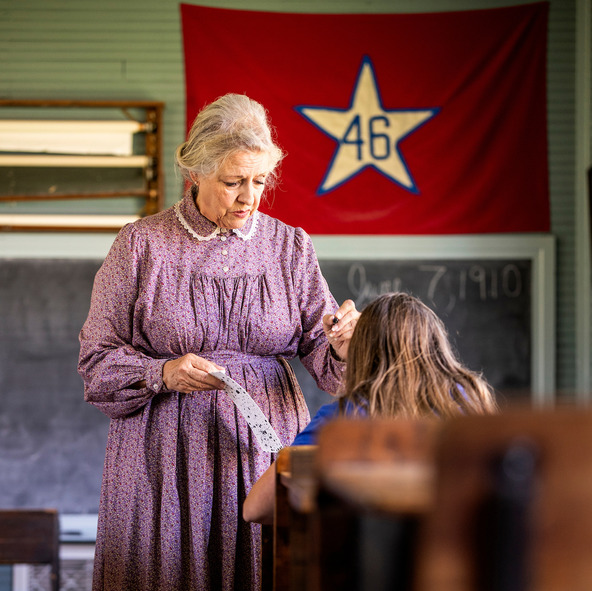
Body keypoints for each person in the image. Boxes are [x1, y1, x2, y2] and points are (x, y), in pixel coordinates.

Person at [78, 93, 360, 591]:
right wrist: (160, 373)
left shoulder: (290, 245)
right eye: (233, 183)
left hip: (259, 451)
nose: (249, 197)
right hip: (162, 459)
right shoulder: (142, 245)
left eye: (259, 181)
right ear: (198, 174)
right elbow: (97, 361)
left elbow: (325, 358)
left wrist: (340, 344)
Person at [243, 291, 498, 524]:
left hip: (372, 566)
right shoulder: (473, 401)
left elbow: (255, 509)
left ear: (365, 352)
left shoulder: (342, 420)